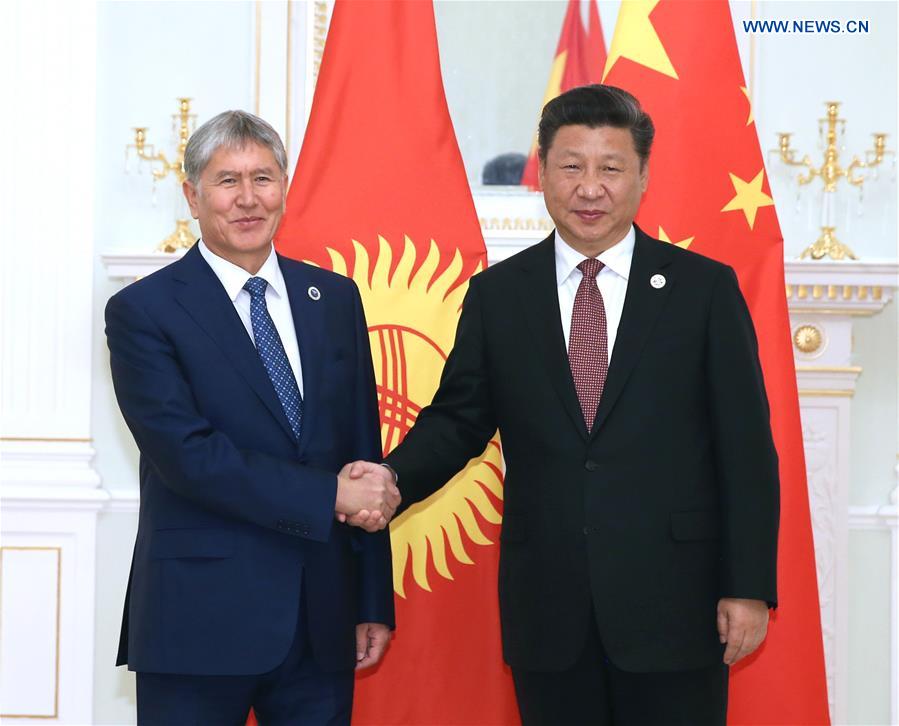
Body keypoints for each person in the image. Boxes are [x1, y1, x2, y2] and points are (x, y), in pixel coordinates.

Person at [347, 85, 779, 725]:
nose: (590, 188)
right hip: (549, 608)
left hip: (676, 604)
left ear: (642, 177)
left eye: (611, 168)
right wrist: (389, 479)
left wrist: (747, 587)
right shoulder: (499, 295)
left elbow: (746, 449)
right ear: (542, 171)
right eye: (571, 166)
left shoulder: (703, 290)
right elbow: (459, 419)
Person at [105, 109, 400, 725]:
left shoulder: (334, 297)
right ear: (192, 194)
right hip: (198, 621)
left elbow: (359, 448)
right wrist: (329, 496)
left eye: (263, 178)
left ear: (285, 188)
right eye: (227, 180)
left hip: (321, 622)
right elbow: (189, 456)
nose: (247, 199)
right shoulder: (143, 311)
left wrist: (371, 598)